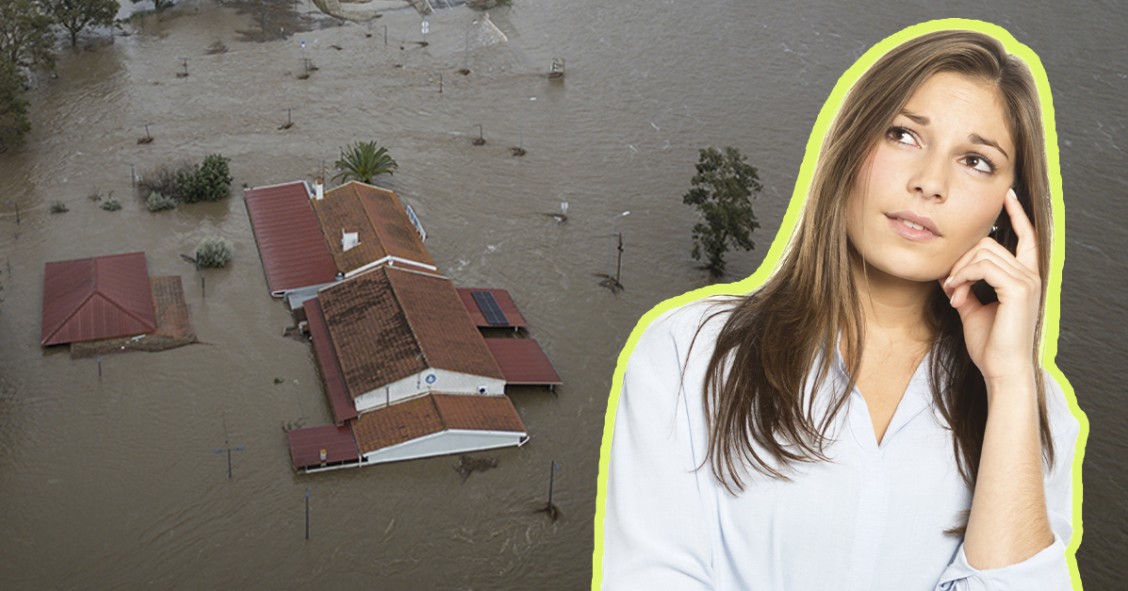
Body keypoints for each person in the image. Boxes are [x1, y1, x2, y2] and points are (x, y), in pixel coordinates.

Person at [597, 24, 1082, 590]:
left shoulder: (1031, 409)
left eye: (975, 161)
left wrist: (1009, 382)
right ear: (849, 148)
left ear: (1007, 210)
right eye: (903, 135)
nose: (930, 183)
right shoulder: (691, 351)